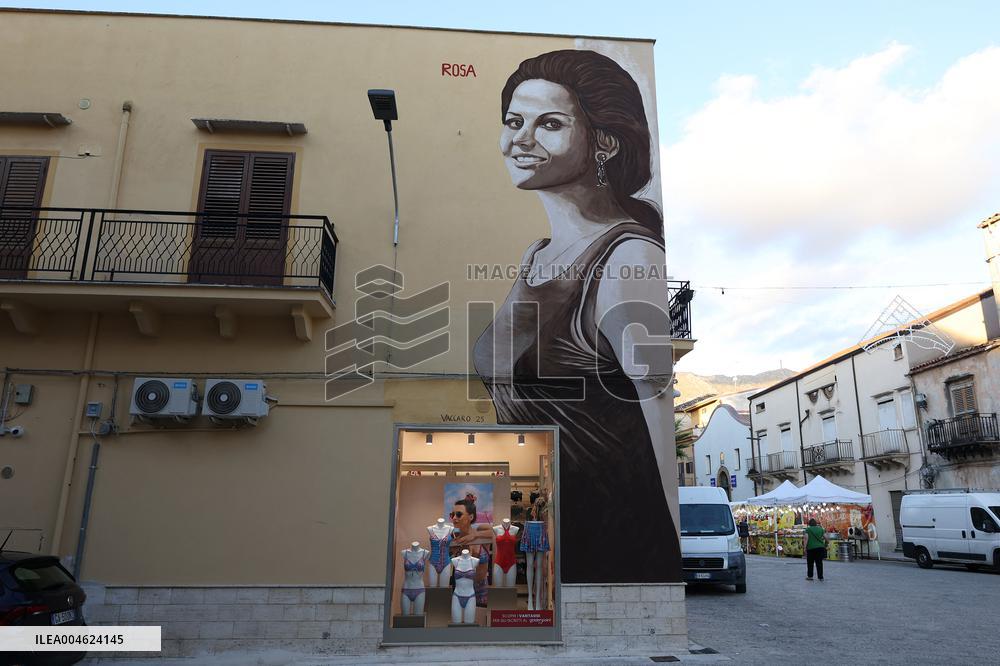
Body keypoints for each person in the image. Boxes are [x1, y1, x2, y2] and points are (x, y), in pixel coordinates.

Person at [474, 49, 680, 584]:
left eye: (549, 123)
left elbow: (655, 401)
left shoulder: (629, 256)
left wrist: (668, 558)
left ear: (604, 142)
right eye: (513, 122)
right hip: (539, 524)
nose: (520, 139)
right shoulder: (536, 255)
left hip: (611, 542)